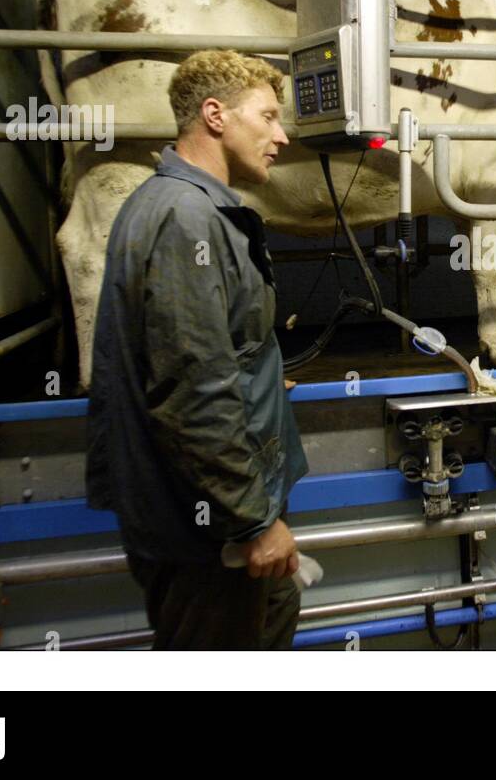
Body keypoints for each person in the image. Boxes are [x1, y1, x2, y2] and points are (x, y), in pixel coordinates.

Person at [86, 50, 309, 649]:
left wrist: (256, 376)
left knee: (276, 610)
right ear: (215, 115)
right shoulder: (187, 218)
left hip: (203, 514)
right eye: (267, 117)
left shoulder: (176, 205)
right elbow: (193, 393)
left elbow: (200, 354)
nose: (281, 136)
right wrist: (255, 523)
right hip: (205, 527)